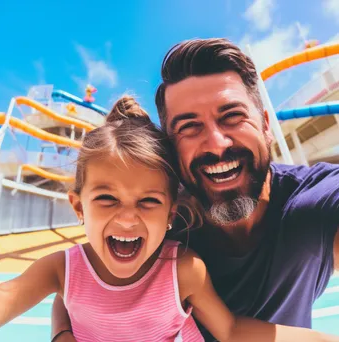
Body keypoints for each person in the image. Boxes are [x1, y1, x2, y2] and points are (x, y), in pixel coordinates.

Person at [51, 38, 339, 341]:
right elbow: (77, 279)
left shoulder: (317, 200)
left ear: (266, 126)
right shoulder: (159, 217)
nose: (216, 144)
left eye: (232, 117)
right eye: (189, 127)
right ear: (173, 149)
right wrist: (62, 334)